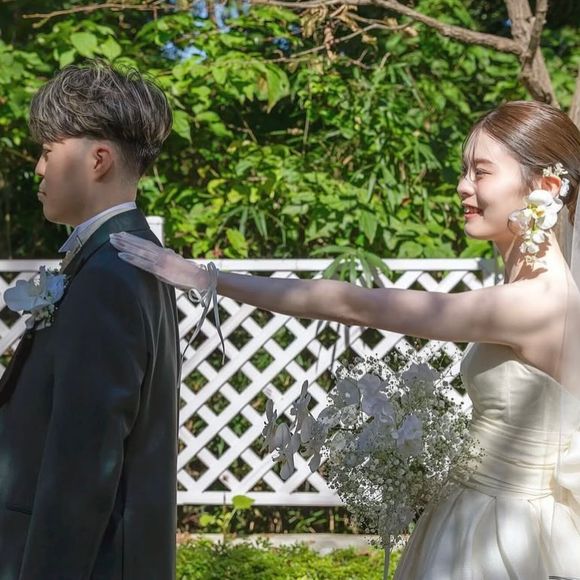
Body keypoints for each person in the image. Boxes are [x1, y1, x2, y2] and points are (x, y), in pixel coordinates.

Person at [110, 100, 580, 578]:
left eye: (481, 172)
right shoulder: (528, 291)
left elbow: (356, 304)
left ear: (545, 187)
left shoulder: (537, 302)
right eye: (464, 170)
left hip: (504, 535)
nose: (462, 186)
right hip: (473, 512)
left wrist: (207, 277)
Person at [0, 63, 180, 579]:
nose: (38, 168)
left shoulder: (108, 275)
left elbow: (83, 466)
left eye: (47, 151)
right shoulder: (129, 258)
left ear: (97, 160)